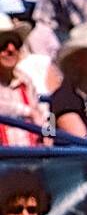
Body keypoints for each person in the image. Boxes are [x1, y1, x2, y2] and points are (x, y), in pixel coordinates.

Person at [0, 16, 47, 146]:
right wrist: (28, 112)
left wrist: (49, 134)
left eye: (16, 43)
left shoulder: (25, 81)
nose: (11, 49)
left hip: (31, 160)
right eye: (2, 43)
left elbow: (45, 113)